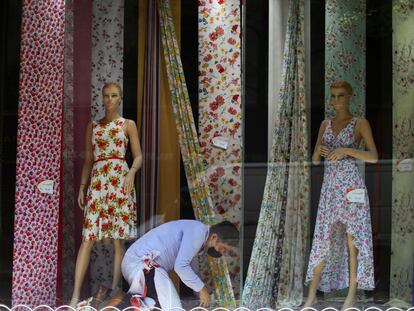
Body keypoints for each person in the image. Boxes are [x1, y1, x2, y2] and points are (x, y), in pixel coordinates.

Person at [303, 80, 378, 311]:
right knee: (323, 239)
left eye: (341, 96)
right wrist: (320, 151)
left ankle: (352, 296)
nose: (336, 100)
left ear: (350, 96)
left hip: (351, 188)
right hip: (330, 189)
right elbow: (315, 160)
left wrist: (345, 150)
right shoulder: (325, 124)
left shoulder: (360, 123)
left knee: (352, 240)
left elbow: (374, 157)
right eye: (333, 96)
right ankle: (312, 296)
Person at [69, 82, 142, 307]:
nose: (109, 99)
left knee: (119, 241)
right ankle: (73, 297)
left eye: (114, 96)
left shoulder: (127, 124)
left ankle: (114, 292)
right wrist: (82, 187)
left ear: (120, 98)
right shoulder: (93, 126)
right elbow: (89, 160)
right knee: (87, 239)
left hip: (120, 183)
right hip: (99, 183)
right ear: (102, 98)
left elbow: (138, 156)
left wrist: (130, 173)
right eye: (106, 96)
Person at [121, 219, 239, 309]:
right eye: (223, 248)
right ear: (214, 237)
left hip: (139, 265)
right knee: (172, 306)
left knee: (152, 305)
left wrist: (201, 297)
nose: (222, 252)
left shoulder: (198, 235)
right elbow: (181, 267)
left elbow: (193, 271)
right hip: (140, 264)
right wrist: (202, 290)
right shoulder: (198, 233)